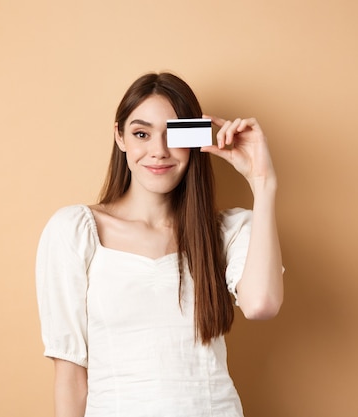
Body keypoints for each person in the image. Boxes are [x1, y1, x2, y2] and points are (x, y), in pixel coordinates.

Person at [36, 72, 284, 417]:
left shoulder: (226, 232)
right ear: (120, 137)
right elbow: (70, 374)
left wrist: (264, 182)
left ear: (196, 139)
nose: (159, 151)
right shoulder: (76, 230)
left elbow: (262, 305)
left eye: (175, 135)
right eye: (141, 134)